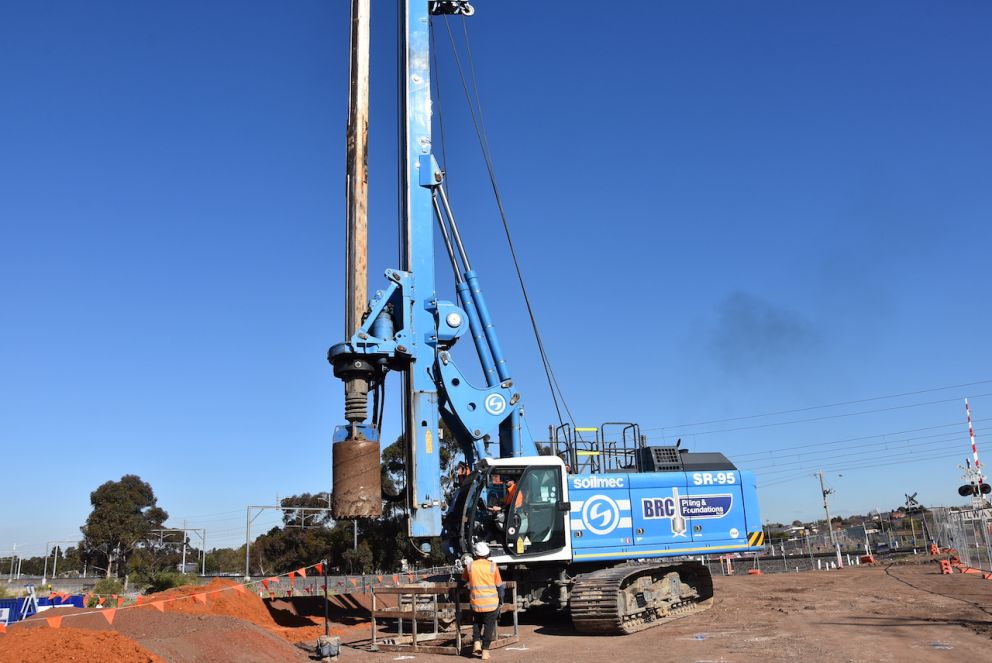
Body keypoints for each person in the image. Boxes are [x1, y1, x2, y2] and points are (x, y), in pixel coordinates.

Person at [462, 541, 504, 659]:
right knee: (489, 626)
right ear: (487, 554)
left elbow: (463, 580)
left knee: (476, 622)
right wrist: (501, 599)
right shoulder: (492, 566)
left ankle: (476, 642)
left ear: (475, 554)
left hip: (476, 602)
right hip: (491, 603)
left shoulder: (470, 566)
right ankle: (485, 650)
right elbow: (500, 586)